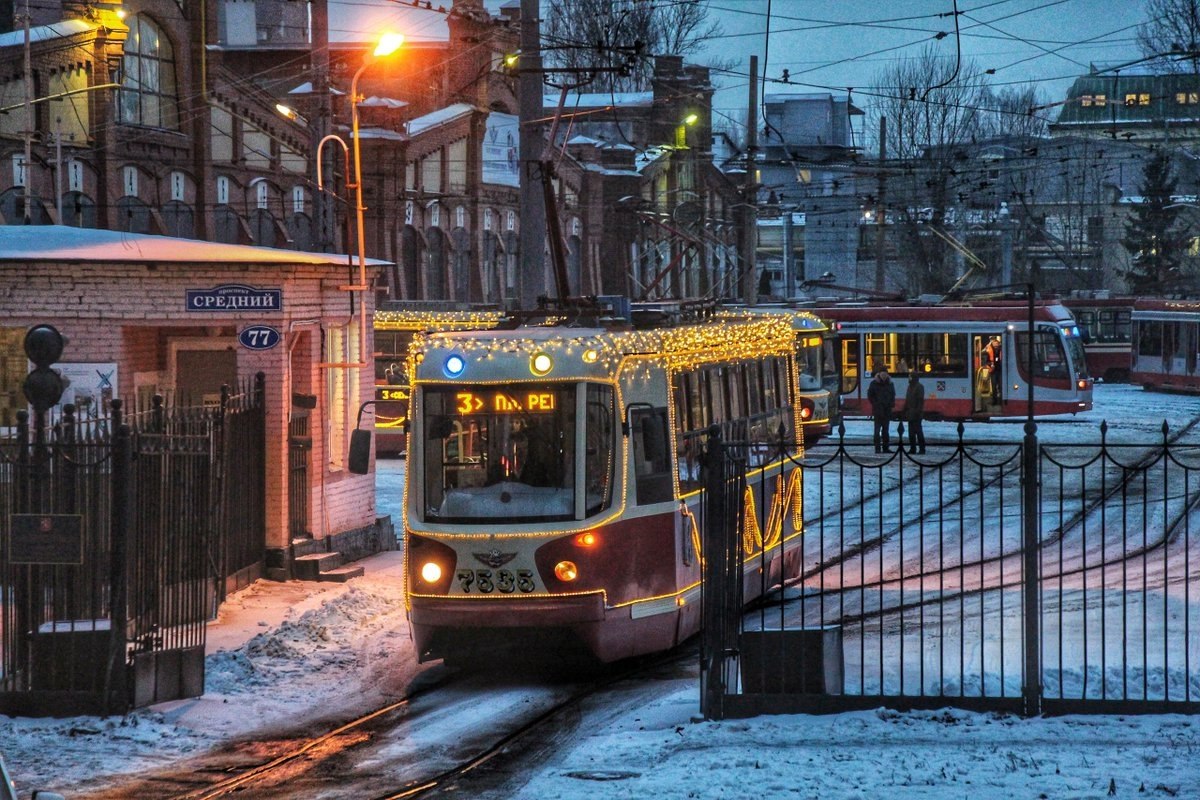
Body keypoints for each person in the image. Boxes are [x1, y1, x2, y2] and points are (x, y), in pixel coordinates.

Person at [867, 368, 896, 453]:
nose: (884, 375)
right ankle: (877, 448)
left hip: (886, 410)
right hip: (878, 410)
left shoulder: (890, 384)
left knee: (885, 431)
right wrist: (875, 404)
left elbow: (893, 395)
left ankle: (885, 448)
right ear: (879, 374)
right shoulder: (874, 383)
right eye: (882, 374)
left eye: (885, 374)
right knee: (877, 431)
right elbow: (870, 395)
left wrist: (891, 404)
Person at [904, 372, 926, 455]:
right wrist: (905, 409)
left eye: (910, 377)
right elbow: (907, 400)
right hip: (910, 412)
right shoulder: (910, 387)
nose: (909, 378)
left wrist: (917, 411)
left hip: (916, 413)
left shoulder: (919, 387)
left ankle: (921, 449)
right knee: (911, 432)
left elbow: (920, 401)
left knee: (918, 431)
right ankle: (913, 448)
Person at [982, 336, 1002, 403]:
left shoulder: (1002, 349)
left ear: (999, 344)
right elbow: (985, 358)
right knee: (993, 386)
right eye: (994, 344)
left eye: (997, 344)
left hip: (1001, 370)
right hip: (993, 371)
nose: (996, 346)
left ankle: (1001, 400)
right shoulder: (988, 349)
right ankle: (994, 400)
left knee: (1001, 386)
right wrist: (991, 364)